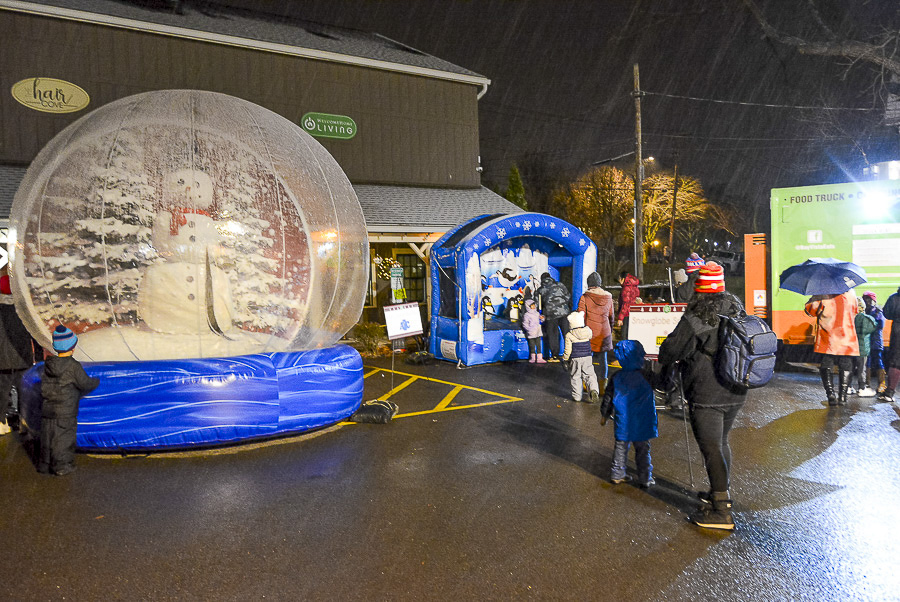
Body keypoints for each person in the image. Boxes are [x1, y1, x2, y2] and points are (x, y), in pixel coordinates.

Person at [658, 261, 745, 530]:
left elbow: (670, 351)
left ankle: (721, 511)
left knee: (711, 448)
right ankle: (719, 492)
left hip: (707, 393)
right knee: (720, 443)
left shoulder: (697, 316)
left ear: (700, 287)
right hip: (736, 388)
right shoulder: (736, 308)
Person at [38, 325, 100, 476]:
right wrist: (96, 381)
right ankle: (62, 466)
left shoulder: (49, 365)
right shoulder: (73, 366)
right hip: (65, 410)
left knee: (48, 436)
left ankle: (45, 465)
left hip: (48, 408)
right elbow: (85, 384)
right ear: (72, 347)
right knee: (63, 438)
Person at [600, 339, 657, 487]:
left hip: (623, 420)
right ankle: (645, 478)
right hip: (643, 419)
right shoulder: (647, 375)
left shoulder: (617, 377)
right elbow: (665, 384)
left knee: (621, 447)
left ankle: (617, 475)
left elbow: (608, 398)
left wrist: (605, 414)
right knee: (643, 449)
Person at [0, 273, 41, 435]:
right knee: (24, 391)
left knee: (1, 392)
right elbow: (35, 334)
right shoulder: (24, 310)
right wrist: (38, 358)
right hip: (22, 357)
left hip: (1, 359)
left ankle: (1, 423)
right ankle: (24, 422)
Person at [805, 289, 859, 406]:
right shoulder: (851, 293)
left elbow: (811, 310)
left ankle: (830, 393)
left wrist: (811, 299)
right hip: (846, 335)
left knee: (827, 363)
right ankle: (843, 397)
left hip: (829, 336)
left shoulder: (823, 292)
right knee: (846, 364)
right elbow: (855, 311)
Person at [577, 272, 614, 394]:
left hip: (589, 333)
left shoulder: (585, 297)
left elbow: (581, 316)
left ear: (589, 284)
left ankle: (587, 384)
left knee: (587, 360)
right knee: (603, 360)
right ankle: (602, 386)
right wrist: (610, 330)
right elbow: (611, 317)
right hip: (604, 332)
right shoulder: (608, 297)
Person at [561, 311, 599, 403]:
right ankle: (593, 389)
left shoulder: (569, 335)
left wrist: (565, 359)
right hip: (587, 357)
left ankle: (577, 396)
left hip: (575, 358)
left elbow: (568, 350)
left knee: (576, 376)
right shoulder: (588, 331)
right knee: (589, 375)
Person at [535, 272, 571, 362]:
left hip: (550, 314)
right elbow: (568, 296)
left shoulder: (540, 290)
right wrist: (563, 305)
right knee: (567, 334)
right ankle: (571, 354)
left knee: (553, 335)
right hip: (564, 312)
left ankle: (555, 356)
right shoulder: (560, 285)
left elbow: (537, 304)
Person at [861, 291, 887, 394]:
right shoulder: (863, 312)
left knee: (878, 361)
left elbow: (879, 325)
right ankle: (867, 384)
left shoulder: (878, 312)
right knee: (867, 362)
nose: (867, 301)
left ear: (874, 300)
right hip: (866, 341)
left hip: (875, 341)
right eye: (865, 299)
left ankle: (882, 384)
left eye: (869, 299)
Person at [853, 297, 877, 397]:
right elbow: (874, 327)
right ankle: (862, 388)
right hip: (863, 348)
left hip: (852, 347)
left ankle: (848, 387)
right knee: (861, 368)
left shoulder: (851, 318)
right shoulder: (867, 319)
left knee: (850, 367)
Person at [880, 285, 900, 402]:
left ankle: (890, 392)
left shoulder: (894, 298)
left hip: (897, 332)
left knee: (896, 362)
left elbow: (887, 314)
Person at [615, 271, 640, 338]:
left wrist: (620, 318)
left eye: (619, 279)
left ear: (623, 279)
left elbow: (625, 304)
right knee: (630, 335)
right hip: (633, 312)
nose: (619, 281)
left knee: (624, 335)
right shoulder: (634, 286)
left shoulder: (626, 288)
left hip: (626, 314)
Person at [521, 299, 546, 363]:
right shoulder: (527, 315)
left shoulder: (537, 313)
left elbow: (540, 321)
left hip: (538, 332)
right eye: (532, 305)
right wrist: (529, 330)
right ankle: (533, 358)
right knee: (532, 345)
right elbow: (525, 324)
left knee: (538, 345)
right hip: (531, 333)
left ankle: (539, 358)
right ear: (528, 306)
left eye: (534, 305)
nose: (534, 306)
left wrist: (542, 319)